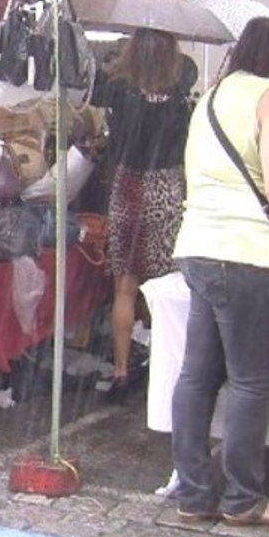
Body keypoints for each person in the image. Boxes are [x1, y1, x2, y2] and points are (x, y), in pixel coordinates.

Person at [171, 17, 269, 527]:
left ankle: (193, 493)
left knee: (197, 377)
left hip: (198, 248)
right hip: (249, 253)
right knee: (252, 382)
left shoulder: (214, 94)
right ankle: (244, 499)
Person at [90, 28, 195, 403]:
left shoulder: (118, 90)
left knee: (125, 287)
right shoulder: (181, 93)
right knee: (167, 287)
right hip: (165, 186)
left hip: (127, 185)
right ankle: (169, 370)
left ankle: (120, 371)